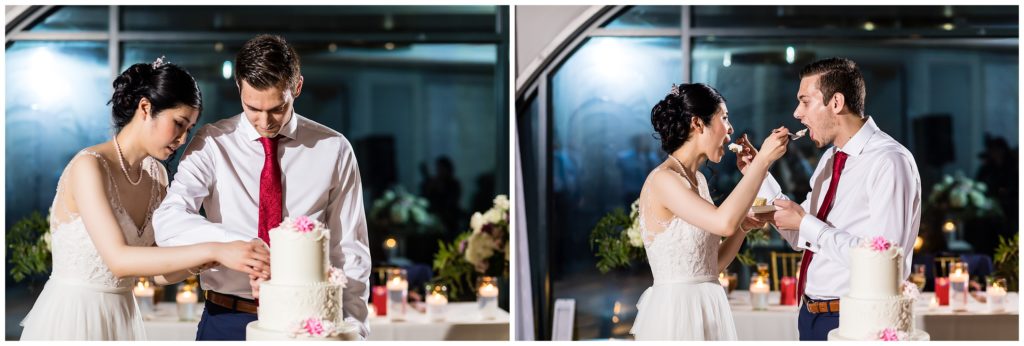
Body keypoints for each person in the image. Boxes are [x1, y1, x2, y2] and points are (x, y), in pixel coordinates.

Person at [19, 58, 270, 341]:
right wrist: (213, 250)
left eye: (189, 128)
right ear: (145, 107)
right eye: (178, 123)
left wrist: (212, 258)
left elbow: (159, 274)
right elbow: (119, 260)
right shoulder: (89, 166)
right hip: (75, 316)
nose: (183, 138)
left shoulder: (156, 176)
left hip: (123, 316)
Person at [152, 34, 371, 340]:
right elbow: (168, 220)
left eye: (277, 109)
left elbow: (350, 250)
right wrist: (233, 246)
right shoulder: (212, 143)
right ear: (238, 87)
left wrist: (355, 330)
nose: (265, 121)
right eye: (252, 108)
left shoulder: (334, 149)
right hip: (226, 319)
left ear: (297, 87)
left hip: (308, 324)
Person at [737, 57, 922, 341]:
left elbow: (886, 263)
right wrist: (758, 173)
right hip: (810, 314)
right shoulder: (830, 159)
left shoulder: (889, 161)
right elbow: (800, 236)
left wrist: (806, 223)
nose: (797, 113)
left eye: (805, 101)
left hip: (855, 319)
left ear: (836, 103)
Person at [630, 83, 790, 340]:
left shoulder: (698, 181)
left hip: (709, 307)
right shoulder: (663, 180)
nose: (731, 130)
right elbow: (723, 222)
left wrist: (743, 228)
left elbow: (711, 266)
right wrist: (762, 161)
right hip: (676, 314)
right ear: (698, 123)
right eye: (724, 118)